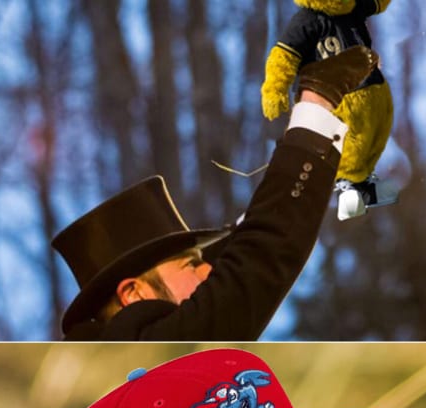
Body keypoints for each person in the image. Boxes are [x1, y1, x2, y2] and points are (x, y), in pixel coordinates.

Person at [56, 46, 380, 341]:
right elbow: (257, 260)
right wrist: (317, 101)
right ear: (134, 295)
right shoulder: (156, 341)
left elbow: (242, 250)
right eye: (190, 265)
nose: (209, 270)